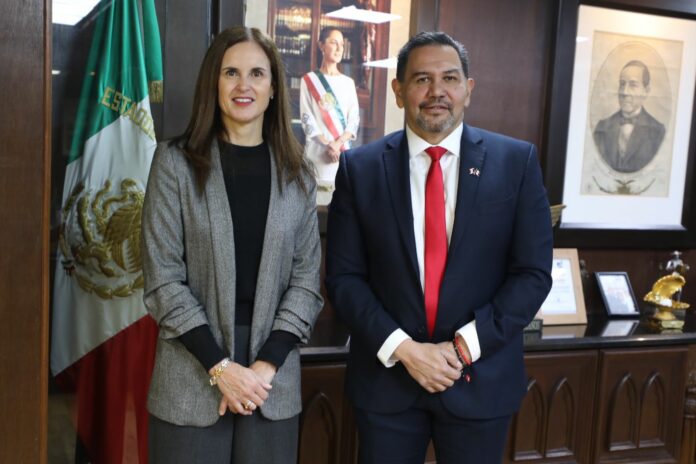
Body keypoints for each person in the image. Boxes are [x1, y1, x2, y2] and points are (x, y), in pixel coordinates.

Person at [325, 31, 553, 463]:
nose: (437, 92)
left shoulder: (516, 162)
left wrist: (462, 348)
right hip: (387, 383)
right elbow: (344, 279)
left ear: (469, 88)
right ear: (398, 91)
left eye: (449, 78)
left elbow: (533, 274)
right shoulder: (360, 169)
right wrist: (406, 350)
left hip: (480, 380)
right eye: (421, 79)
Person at [141, 26, 323, 464]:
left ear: (274, 87)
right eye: (231, 73)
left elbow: (305, 283)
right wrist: (221, 368)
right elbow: (163, 280)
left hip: (271, 381)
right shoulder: (174, 164)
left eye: (257, 73)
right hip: (191, 371)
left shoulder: (298, 175)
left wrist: (263, 367)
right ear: (214, 83)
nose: (245, 85)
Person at [300, 26, 360, 202]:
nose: (339, 48)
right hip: (317, 154)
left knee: (341, 204)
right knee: (313, 204)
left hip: (341, 155)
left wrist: (337, 145)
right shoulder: (309, 80)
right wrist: (328, 145)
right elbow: (307, 118)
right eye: (334, 43)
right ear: (321, 46)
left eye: (342, 44)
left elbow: (353, 120)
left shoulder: (348, 83)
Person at [593, 59, 665, 173]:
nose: (625, 92)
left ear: (646, 91)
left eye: (633, 85)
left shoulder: (658, 132)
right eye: (622, 84)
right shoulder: (602, 128)